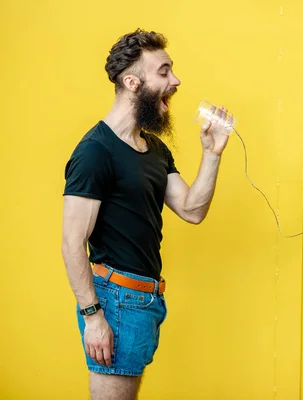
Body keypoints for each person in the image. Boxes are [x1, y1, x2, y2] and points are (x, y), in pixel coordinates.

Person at [61, 29, 232, 400]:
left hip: (145, 302)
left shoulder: (153, 148)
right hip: (115, 301)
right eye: (165, 72)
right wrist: (93, 317)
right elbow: (72, 241)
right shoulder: (95, 151)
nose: (176, 81)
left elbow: (192, 209)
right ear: (132, 82)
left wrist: (212, 154)